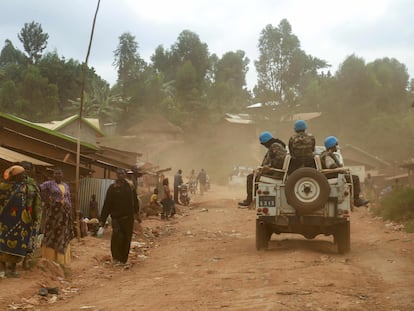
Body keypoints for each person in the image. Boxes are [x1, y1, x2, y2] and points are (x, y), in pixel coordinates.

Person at [0, 165, 40, 278]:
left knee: (18, 244)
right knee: (2, 244)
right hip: (5, 221)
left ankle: (12, 269)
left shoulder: (25, 187)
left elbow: (32, 202)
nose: (24, 176)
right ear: (16, 176)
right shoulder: (3, 187)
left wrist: (33, 216)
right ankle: (2, 268)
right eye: (22, 174)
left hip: (21, 221)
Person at [100, 168, 139, 265]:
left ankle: (123, 259)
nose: (121, 175)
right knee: (117, 237)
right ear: (116, 175)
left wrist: (137, 214)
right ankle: (115, 257)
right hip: (116, 218)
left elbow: (135, 201)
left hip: (128, 218)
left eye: (122, 173)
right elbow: (107, 204)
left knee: (126, 238)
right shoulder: (112, 188)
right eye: (119, 173)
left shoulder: (130, 187)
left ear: (125, 175)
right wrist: (103, 219)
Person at [239, 131, 286, 207]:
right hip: (273, 171)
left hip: (275, 173)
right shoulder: (274, 146)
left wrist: (269, 167)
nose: (264, 146)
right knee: (253, 175)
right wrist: (260, 169)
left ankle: (250, 200)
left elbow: (280, 160)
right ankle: (253, 199)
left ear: (267, 142)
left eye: (264, 144)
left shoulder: (275, 146)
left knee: (250, 177)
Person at [320, 136, 369, 207]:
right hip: (333, 176)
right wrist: (341, 169)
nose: (337, 146)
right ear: (332, 145)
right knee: (355, 178)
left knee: (351, 176)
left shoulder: (327, 154)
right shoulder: (327, 155)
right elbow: (331, 166)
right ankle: (356, 200)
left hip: (333, 175)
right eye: (336, 145)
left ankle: (353, 198)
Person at [39, 167, 74, 266]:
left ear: (62, 175)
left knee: (63, 233)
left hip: (64, 214)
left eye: (59, 173)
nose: (57, 175)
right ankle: (49, 258)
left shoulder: (66, 186)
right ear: (53, 175)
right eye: (56, 173)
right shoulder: (48, 184)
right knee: (51, 233)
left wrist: (70, 211)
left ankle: (61, 260)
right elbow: (39, 189)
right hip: (53, 214)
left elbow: (68, 198)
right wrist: (46, 201)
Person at [20, 161, 42, 270]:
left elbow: (37, 200)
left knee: (29, 239)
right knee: (15, 238)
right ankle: (11, 263)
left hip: (29, 215)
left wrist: (36, 215)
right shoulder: (13, 181)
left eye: (28, 169)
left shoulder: (33, 184)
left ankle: (26, 261)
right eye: (23, 168)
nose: (25, 171)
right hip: (15, 216)